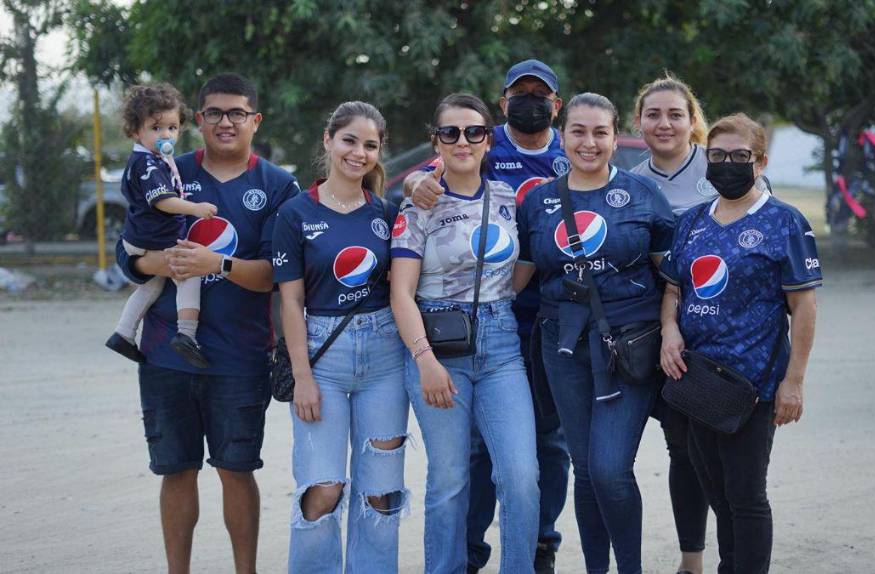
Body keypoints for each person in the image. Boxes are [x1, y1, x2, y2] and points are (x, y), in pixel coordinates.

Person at [115, 73, 299, 574]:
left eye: (237, 113)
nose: (225, 122)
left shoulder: (279, 185)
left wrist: (214, 264)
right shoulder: (164, 170)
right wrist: (169, 263)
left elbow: (280, 277)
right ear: (197, 121)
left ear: (255, 121)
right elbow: (126, 254)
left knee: (236, 471)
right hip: (164, 352)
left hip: (240, 356)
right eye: (214, 112)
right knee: (176, 471)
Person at [404, 58, 570, 574]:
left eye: (540, 94)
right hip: (447, 334)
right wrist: (413, 183)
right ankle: (464, 558)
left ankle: (537, 550)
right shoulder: (486, 150)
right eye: (520, 93)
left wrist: (502, 293)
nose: (464, 139)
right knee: (460, 467)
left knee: (537, 459)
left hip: (526, 331)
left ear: (556, 105)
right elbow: (431, 172)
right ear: (502, 105)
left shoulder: (575, 152)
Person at [514, 92, 676, 574]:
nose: (589, 142)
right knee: (585, 469)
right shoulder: (540, 200)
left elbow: (672, 279)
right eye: (578, 131)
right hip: (560, 345)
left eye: (600, 132)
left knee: (609, 467)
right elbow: (518, 276)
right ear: (562, 135)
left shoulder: (643, 195)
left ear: (614, 136)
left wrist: (671, 330)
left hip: (627, 345)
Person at [659, 113, 821, 574]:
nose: (726, 164)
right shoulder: (691, 222)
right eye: (717, 155)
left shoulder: (784, 222)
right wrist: (670, 330)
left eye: (738, 157)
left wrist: (795, 382)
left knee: (746, 496)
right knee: (715, 489)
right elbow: (673, 289)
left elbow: (804, 308)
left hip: (755, 386)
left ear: (760, 161)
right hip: (696, 382)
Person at [272, 101, 407, 573]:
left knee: (381, 493)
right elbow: (289, 301)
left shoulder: (388, 214)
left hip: (385, 358)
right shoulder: (294, 214)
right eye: (350, 140)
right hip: (322, 355)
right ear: (328, 140)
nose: (359, 152)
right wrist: (302, 376)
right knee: (324, 487)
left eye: (370, 145)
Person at [630, 73, 712, 574]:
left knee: (704, 451)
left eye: (675, 114)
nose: (664, 123)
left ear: (692, 122)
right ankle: (689, 560)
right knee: (675, 447)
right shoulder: (629, 183)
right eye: (654, 114)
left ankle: (711, 558)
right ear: (638, 122)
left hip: (714, 338)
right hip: (650, 335)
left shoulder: (720, 169)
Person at [105, 83, 218, 369]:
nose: (165, 135)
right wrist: (195, 208)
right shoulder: (148, 165)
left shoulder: (155, 158)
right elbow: (163, 201)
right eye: (156, 128)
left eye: (172, 127)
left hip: (140, 236)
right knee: (189, 273)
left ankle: (123, 333)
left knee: (151, 286)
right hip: (154, 239)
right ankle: (187, 334)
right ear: (135, 131)